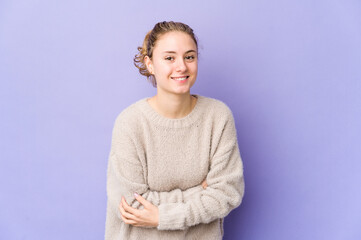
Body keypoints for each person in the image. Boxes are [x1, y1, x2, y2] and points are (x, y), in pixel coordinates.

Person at [105, 21, 245, 240]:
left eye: (189, 57)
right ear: (149, 64)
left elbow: (227, 193)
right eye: (169, 58)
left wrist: (161, 215)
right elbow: (132, 205)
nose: (181, 66)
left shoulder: (218, 117)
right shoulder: (130, 123)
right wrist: (200, 192)